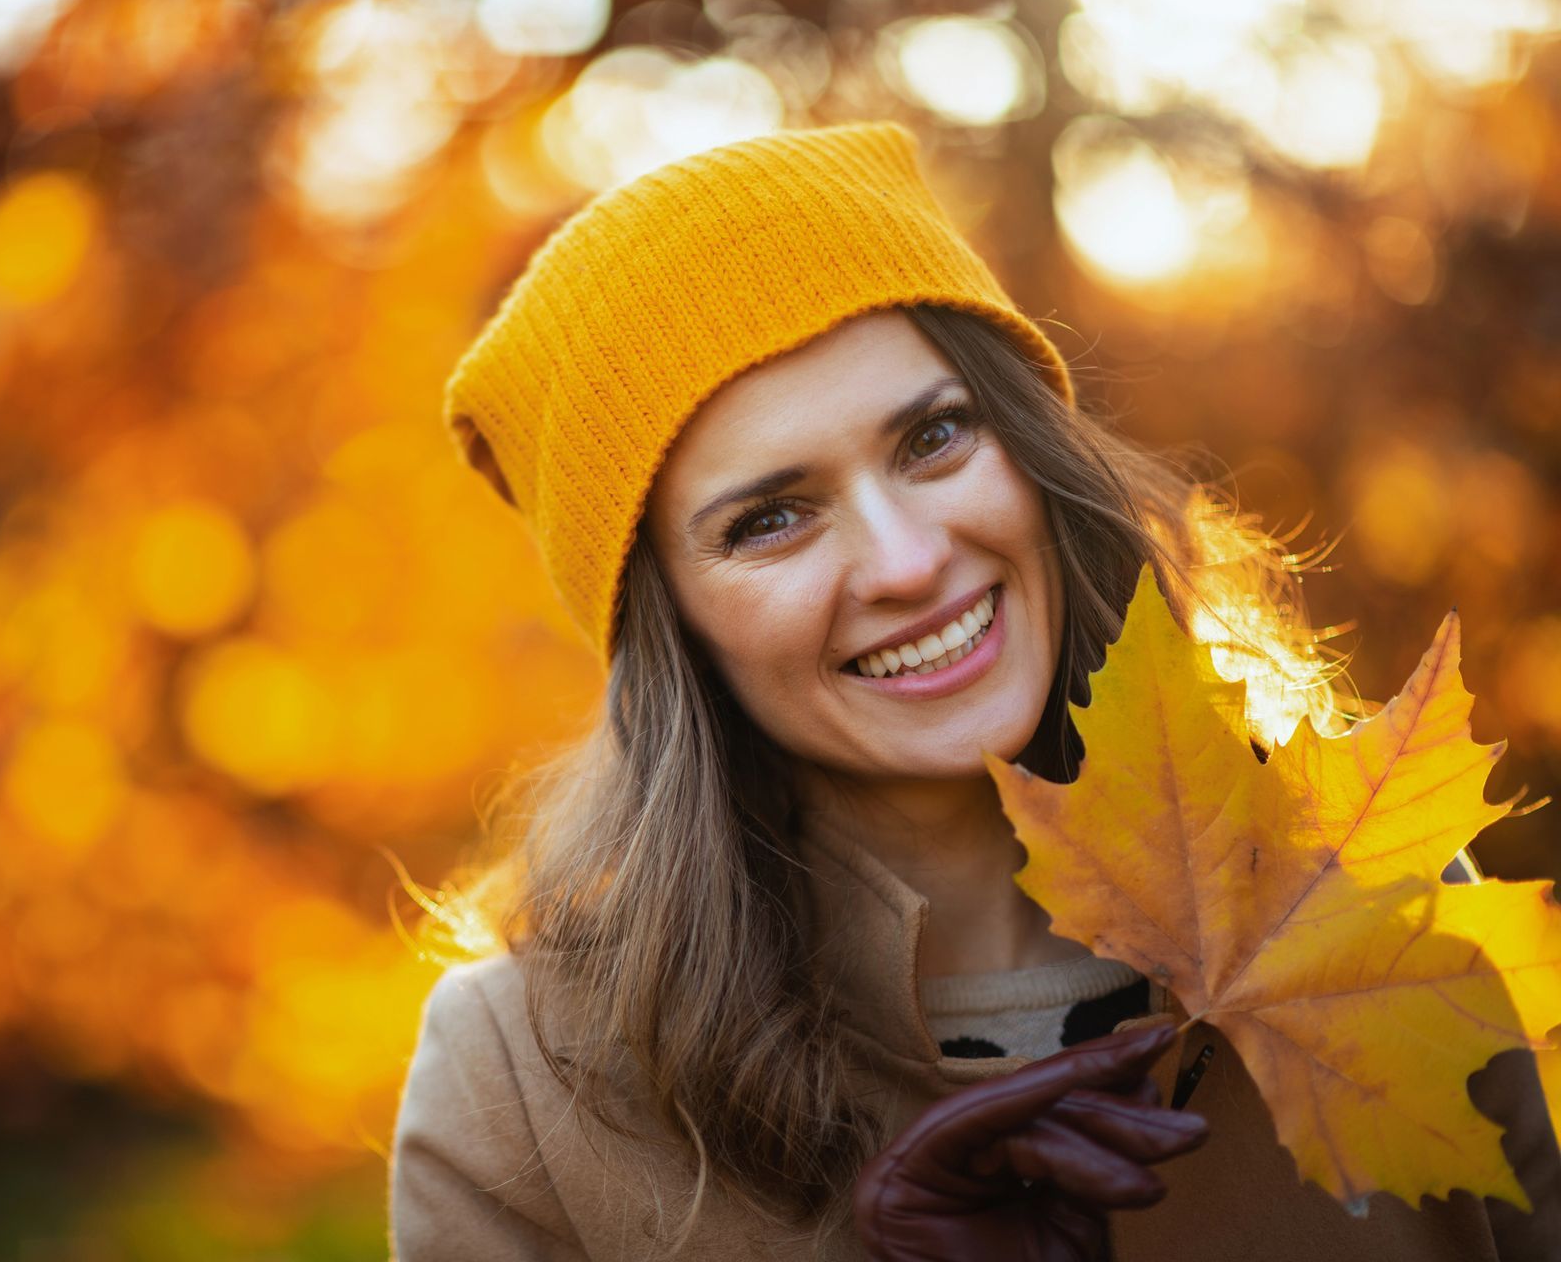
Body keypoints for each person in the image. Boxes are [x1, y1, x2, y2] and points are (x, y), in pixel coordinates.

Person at [388, 121, 1557, 1261]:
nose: (907, 561)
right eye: (771, 519)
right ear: (670, 626)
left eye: (935, 437)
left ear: (1034, 446)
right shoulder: (525, 1085)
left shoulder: (1362, 892)